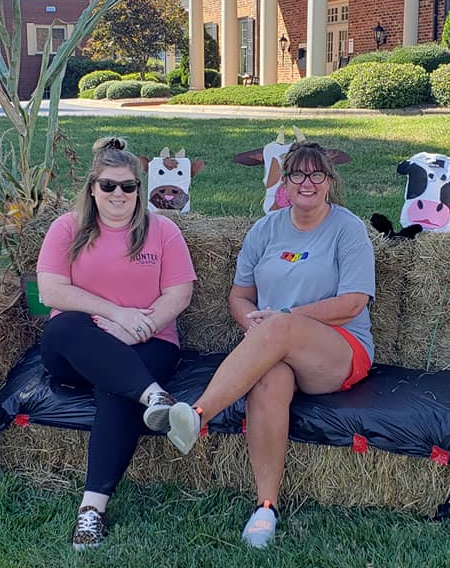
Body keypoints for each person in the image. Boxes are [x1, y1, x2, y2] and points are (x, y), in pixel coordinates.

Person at [163, 141, 376, 549]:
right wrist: (252, 322)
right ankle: (265, 507)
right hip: (277, 345)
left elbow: (353, 303)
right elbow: (239, 297)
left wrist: (282, 320)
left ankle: (197, 414)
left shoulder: (348, 229)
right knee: (267, 382)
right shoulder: (265, 230)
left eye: (317, 174)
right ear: (286, 182)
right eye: (298, 174)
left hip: (338, 350)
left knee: (281, 326)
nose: (307, 182)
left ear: (330, 182)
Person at [35, 137, 197, 551]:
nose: (118, 195)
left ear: (139, 191)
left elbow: (179, 294)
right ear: (92, 188)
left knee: (115, 389)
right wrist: (114, 315)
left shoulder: (163, 231)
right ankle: (154, 396)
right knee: (64, 327)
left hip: (149, 341)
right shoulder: (67, 229)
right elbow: (52, 291)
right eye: (109, 186)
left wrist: (140, 326)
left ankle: (91, 511)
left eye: (128, 186)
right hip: (76, 345)